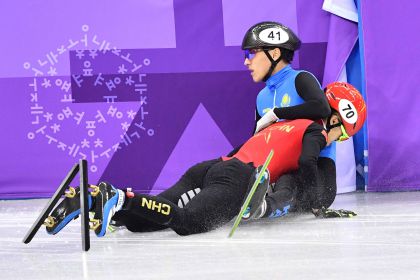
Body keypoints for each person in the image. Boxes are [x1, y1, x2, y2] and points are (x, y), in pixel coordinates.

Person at [45, 82, 366, 236]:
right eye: (344, 134)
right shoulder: (315, 130)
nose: (339, 140)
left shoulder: (282, 123)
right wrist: (315, 204)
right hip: (240, 176)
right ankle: (115, 198)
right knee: (188, 222)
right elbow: (309, 163)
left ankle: (104, 201)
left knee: (146, 223)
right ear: (336, 120)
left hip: (215, 165)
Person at [236, 21, 338, 217]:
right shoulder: (261, 97)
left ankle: (266, 207)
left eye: (251, 54)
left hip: (317, 166)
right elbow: (256, 141)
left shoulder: (301, 78)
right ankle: (263, 207)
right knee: (286, 182)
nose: (246, 61)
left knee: (293, 184)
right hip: (286, 169)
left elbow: (321, 108)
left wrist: (278, 113)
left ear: (274, 54)